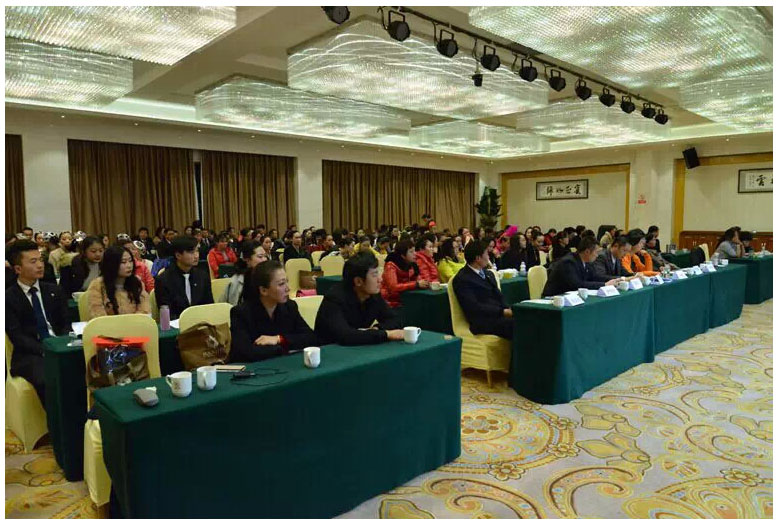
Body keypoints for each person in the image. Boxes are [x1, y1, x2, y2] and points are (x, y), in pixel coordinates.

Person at [5, 240, 69, 405]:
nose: (40, 265)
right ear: (18, 269)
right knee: (48, 378)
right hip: (30, 354)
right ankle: (57, 420)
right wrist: (46, 350)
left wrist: (62, 344)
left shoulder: (54, 290)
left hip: (60, 346)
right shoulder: (8, 298)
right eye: (33, 262)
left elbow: (65, 323)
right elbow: (17, 336)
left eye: (40, 260)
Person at [229, 260, 318, 363]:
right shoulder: (241, 313)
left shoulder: (289, 306)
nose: (288, 288)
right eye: (281, 284)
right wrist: (284, 347)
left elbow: (310, 338)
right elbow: (246, 352)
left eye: (287, 282)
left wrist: (279, 339)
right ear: (263, 290)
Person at [315, 253, 404, 345]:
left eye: (378, 273)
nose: (380, 279)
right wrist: (386, 334)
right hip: (329, 349)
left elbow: (395, 320)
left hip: (358, 347)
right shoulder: (334, 299)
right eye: (374, 275)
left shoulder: (373, 295)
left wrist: (377, 329)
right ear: (358, 281)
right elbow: (345, 336)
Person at [452, 239, 513, 340]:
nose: (488, 257)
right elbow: (474, 307)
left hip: (498, 315)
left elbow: (498, 295)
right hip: (483, 321)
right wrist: (502, 312)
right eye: (486, 254)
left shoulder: (488, 274)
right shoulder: (462, 279)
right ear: (478, 258)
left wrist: (508, 309)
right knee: (516, 325)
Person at [155, 236, 214, 320]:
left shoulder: (202, 276)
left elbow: (209, 305)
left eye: (197, 251)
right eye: (191, 252)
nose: (196, 256)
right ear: (178, 255)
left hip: (201, 322)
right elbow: (165, 314)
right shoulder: (163, 280)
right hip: (176, 324)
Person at [85, 245, 150, 318]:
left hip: (135, 324)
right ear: (111, 264)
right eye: (123, 262)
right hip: (107, 325)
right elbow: (97, 314)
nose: (129, 265)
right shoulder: (98, 285)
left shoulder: (137, 282)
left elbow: (145, 310)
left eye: (130, 261)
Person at [543, 236, 621, 296]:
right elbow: (577, 284)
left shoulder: (587, 262)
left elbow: (595, 277)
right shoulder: (568, 262)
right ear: (587, 252)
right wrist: (604, 285)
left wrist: (616, 279)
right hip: (554, 298)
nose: (597, 255)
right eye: (596, 252)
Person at [381, 239, 429, 308]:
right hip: (389, 302)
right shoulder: (391, 266)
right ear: (403, 255)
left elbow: (416, 280)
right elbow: (393, 287)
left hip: (403, 299)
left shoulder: (412, 264)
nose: (415, 254)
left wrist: (423, 283)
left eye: (414, 251)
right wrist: (416, 284)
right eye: (411, 252)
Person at [221, 240, 268, 306]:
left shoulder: (269, 276)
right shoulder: (237, 281)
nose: (264, 260)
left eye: (265, 256)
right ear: (247, 260)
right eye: (260, 256)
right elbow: (234, 306)